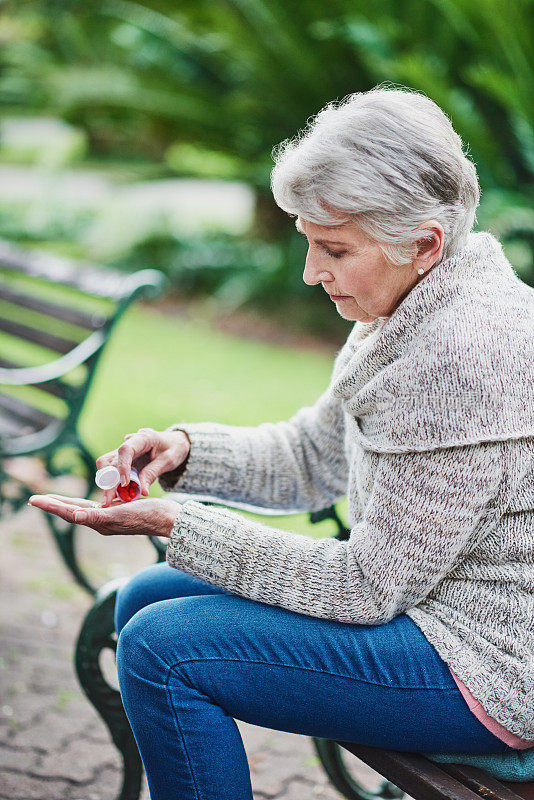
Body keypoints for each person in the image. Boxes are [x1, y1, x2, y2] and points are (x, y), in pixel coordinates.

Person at [29, 85, 534, 800]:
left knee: (162, 652)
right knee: (143, 597)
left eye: (333, 248)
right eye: (308, 241)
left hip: (488, 664)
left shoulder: (458, 353)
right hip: (427, 610)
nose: (310, 271)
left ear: (424, 242)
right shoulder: (414, 301)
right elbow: (313, 455)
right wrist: (186, 451)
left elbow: (367, 587)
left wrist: (182, 524)